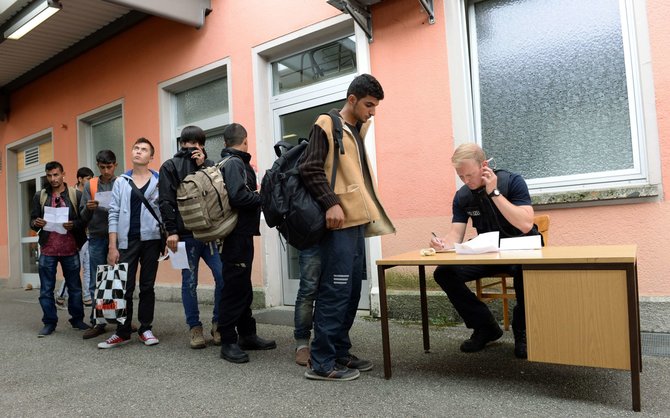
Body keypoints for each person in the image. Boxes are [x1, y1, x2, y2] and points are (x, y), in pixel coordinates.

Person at [299, 74, 395, 381]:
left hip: (356, 223)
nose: (373, 112)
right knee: (335, 290)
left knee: (352, 290)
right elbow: (309, 167)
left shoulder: (357, 128)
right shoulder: (327, 123)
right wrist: (331, 203)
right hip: (338, 223)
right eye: (369, 104)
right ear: (351, 99)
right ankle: (321, 362)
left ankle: (339, 350)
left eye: (376, 106)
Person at [429, 143, 539, 359]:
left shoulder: (512, 181)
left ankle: (523, 331)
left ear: (484, 166)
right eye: (461, 176)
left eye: (469, 174)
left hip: (520, 248)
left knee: (525, 270)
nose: (466, 181)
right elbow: (455, 236)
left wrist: (494, 193)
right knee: (444, 273)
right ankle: (485, 326)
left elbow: (526, 224)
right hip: (488, 252)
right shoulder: (462, 196)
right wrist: (442, 243)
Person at [159, 126, 225, 349]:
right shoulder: (170, 166)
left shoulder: (209, 164)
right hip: (184, 234)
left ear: (202, 145)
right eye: (186, 144)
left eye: (195, 145)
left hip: (210, 232)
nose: (190, 149)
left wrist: (204, 165)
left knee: (222, 275)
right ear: (181, 145)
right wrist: (172, 231)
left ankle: (218, 324)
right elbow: (165, 200)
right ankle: (195, 328)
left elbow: (218, 192)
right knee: (189, 283)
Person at [217, 123, 276, 363]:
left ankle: (247, 334)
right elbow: (238, 196)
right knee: (234, 288)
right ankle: (228, 341)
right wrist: (261, 197)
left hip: (240, 233)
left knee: (243, 286)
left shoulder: (232, 162)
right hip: (234, 235)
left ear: (225, 142)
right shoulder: (234, 164)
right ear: (245, 141)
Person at [97, 138, 162, 349]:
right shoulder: (121, 182)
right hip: (127, 241)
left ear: (151, 157)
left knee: (147, 286)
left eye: (144, 149)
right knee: (124, 286)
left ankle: (145, 328)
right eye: (136, 148)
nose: (138, 152)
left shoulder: (159, 181)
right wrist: (112, 246)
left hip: (152, 239)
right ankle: (122, 331)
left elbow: (165, 211)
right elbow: (113, 214)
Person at [30, 161, 90, 337]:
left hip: (70, 248)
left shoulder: (75, 195)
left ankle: (77, 319)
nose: (53, 179)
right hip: (48, 248)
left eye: (56, 175)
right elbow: (33, 220)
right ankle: (49, 322)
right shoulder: (39, 196)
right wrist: (36, 223)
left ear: (63, 174)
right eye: (49, 175)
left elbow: (84, 220)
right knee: (46, 289)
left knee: (75, 288)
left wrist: (74, 224)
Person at [80, 150, 118, 339]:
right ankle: (98, 322)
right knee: (97, 280)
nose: (106, 171)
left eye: (109, 167)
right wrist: (88, 208)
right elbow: (82, 215)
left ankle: (120, 319)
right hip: (96, 236)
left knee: (117, 279)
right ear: (98, 166)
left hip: (117, 238)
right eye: (102, 167)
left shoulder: (121, 182)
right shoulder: (90, 185)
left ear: (115, 165)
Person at [55, 166, 94, 309]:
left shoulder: (89, 193)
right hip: (76, 238)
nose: (90, 181)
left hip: (89, 236)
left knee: (88, 267)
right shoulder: (72, 195)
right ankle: (60, 297)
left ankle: (86, 296)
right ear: (80, 179)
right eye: (88, 179)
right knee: (75, 268)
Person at [293, 245, 320, 366]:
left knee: (331, 294)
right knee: (307, 292)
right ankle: (302, 344)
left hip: (337, 238)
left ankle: (326, 340)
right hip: (311, 239)